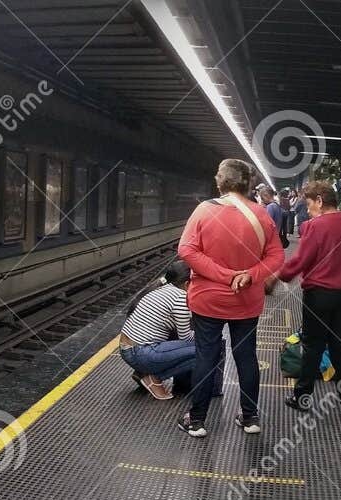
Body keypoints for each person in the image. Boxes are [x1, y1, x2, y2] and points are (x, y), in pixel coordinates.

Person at [175, 159, 284, 438]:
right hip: (246, 301)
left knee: (206, 357)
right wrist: (249, 274)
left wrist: (224, 276)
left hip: (208, 299)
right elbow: (276, 256)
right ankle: (250, 418)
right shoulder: (261, 215)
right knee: (246, 356)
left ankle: (197, 420)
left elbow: (186, 250)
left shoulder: (204, 210)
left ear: (220, 181)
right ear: (248, 184)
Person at [278, 181, 341, 411]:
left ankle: (302, 398)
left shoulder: (315, 225)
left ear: (320, 201)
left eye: (309, 203)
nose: (308, 208)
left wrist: (281, 275)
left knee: (313, 345)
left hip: (319, 294)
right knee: (340, 342)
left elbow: (301, 260)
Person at [119, 260, 194, 400]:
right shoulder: (180, 298)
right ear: (187, 284)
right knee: (206, 350)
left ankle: (142, 372)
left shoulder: (162, 288)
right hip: (140, 353)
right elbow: (186, 338)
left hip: (128, 349)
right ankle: (152, 377)